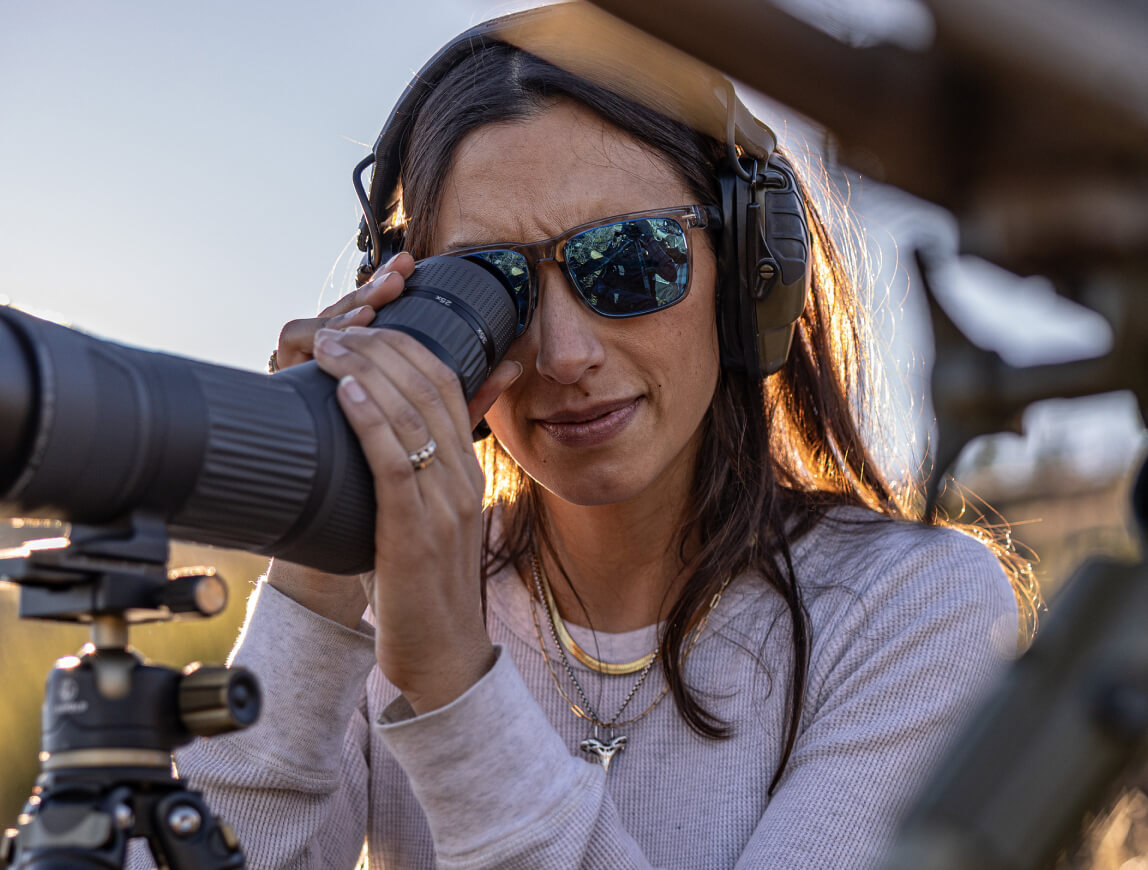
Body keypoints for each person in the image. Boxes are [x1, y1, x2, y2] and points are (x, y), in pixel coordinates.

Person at [133, 5, 1036, 868]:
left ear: (746, 267)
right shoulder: (384, 599)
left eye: (632, 261)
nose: (564, 354)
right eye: (496, 286)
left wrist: (455, 685)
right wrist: (315, 575)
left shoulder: (911, 610)